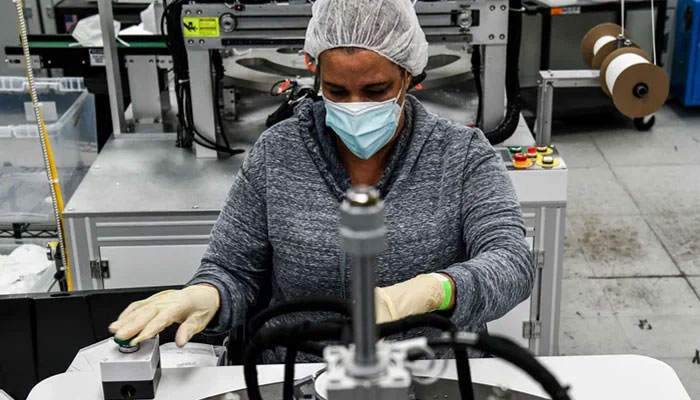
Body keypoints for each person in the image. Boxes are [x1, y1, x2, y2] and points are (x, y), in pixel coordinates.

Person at [108, 0, 534, 361]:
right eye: (336, 90)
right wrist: (206, 294)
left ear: (409, 76)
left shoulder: (461, 155)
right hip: (295, 373)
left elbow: (512, 263)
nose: (355, 106)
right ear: (315, 72)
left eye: (375, 90)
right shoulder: (279, 153)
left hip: (426, 372)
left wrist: (432, 291)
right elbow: (233, 268)